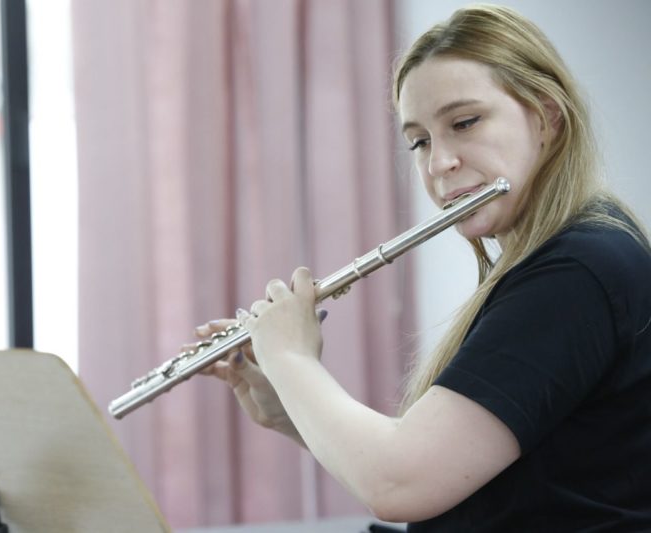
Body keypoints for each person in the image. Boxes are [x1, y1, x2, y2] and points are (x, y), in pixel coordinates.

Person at [187, 4, 651, 531]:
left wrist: (292, 358)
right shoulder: (572, 259)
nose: (438, 164)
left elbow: (399, 484)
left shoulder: (577, 272)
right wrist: (289, 408)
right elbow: (456, 471)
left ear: (547, 118)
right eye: (420, 140)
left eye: (465, 123)